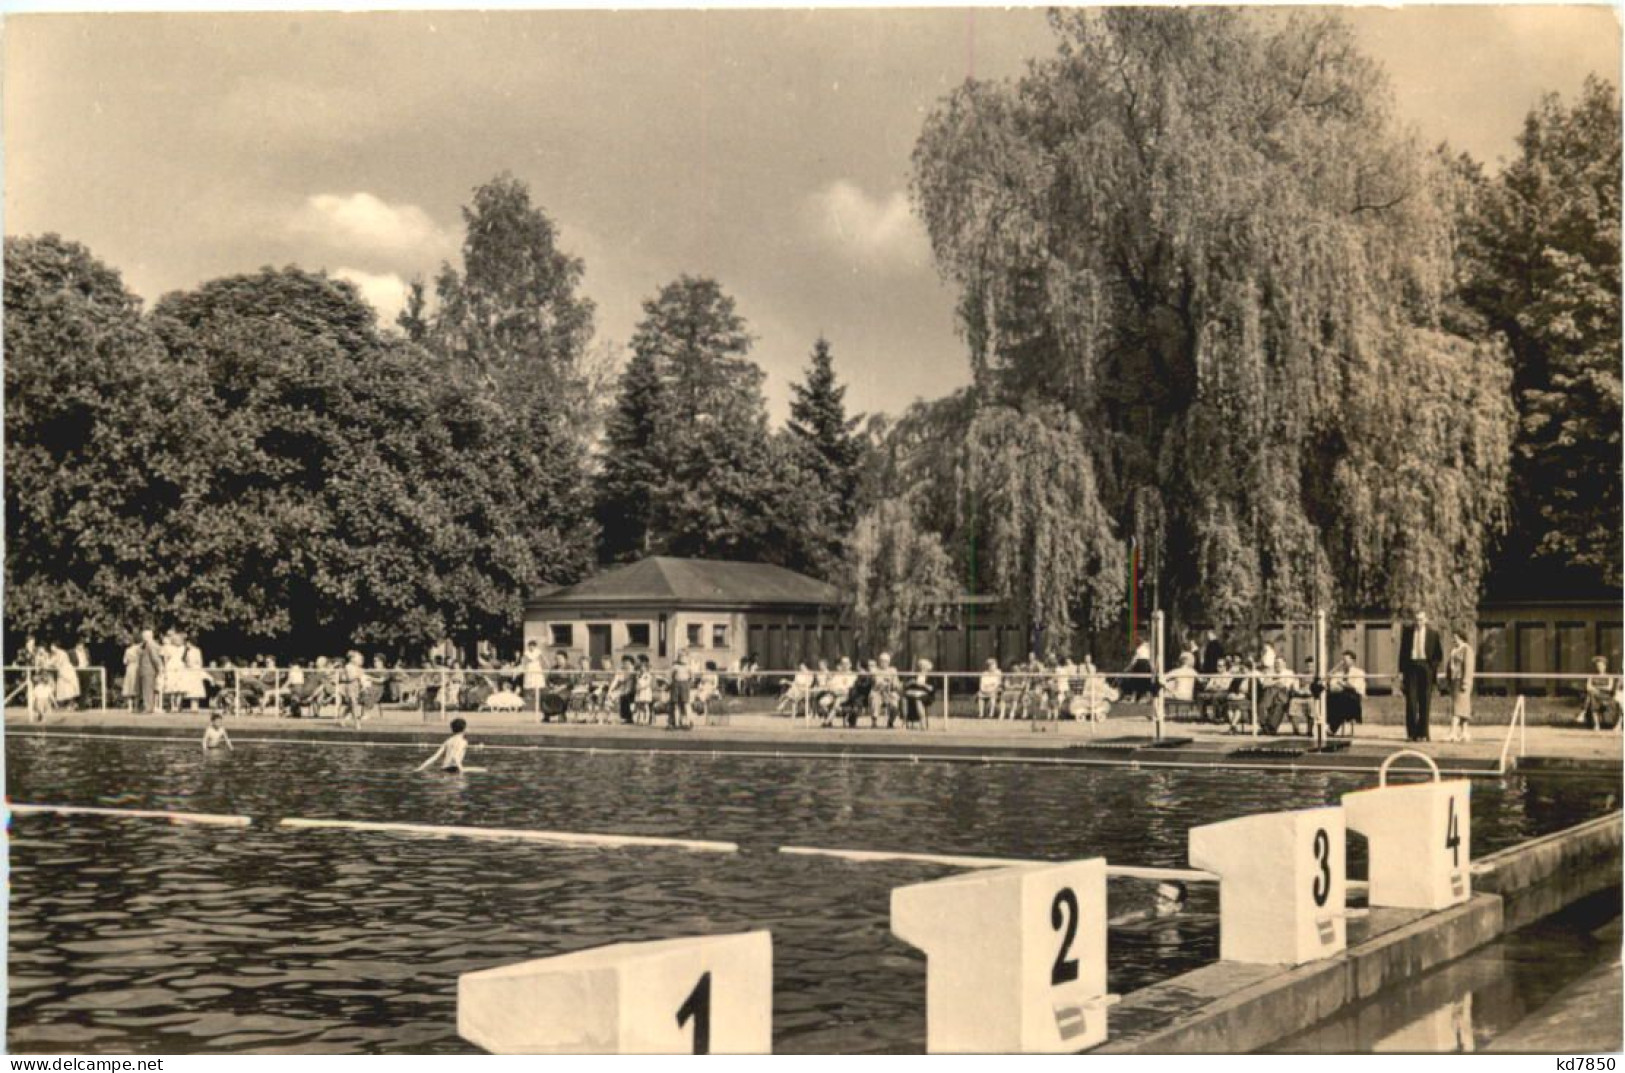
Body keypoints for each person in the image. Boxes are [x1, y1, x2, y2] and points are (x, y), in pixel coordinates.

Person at [1398, 610, 1443, 743]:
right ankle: (1412, 734)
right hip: (1411, 668)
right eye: (1417, 619)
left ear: (1426, 620)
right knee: (1411, 702)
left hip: (1426, 667)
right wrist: (1401, 673)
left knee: (1425, 701)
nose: (1419, 622)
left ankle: (1423, 733)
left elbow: (1438, 655)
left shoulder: (1433, 634)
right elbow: (1402, 654)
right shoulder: (1407, 633)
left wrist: (1431, 667)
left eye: (1421, 619)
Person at [1109, 881, 1188, 927]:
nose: (1158, 900)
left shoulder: (1185, 921)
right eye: (1157, 895)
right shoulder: (1143, 915)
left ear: (1178, 907)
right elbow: (1110, 924)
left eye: (1166, 898)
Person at [1444, 628, 1475, 744]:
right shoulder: (1454, 650)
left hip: (1462, 681)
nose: (1453, 639)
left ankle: (1452, 732)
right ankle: (1464, 732)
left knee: (1458, 708)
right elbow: (1449, 666)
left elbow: (1469, 667)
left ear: (1460, 637)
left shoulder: (1467, 650)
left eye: (1455, 637)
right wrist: (1448, 681)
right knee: (1462, 708)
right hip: (1454, 681)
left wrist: (1466, 682)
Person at [1326, 650, 1367, 737]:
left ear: (1353, 661)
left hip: (1353, 698)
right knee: (1330, 697)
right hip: (1338, 697)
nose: (1343, 662)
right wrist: (1330, 677)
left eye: (1346, 660)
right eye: (1342, 660)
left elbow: (1354, 687)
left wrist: (1342, 684)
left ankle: (1332, 728)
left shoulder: (1359, 672)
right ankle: (1331, 726)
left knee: (1341, 699)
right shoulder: (1339, 673)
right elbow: (1332, 686)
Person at [1580, 657, 1622, 730]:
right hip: (1595, 697)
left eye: (1601, 665)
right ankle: (1596, 724)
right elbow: (1588, 687)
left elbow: (1609, 687)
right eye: (1598, 666)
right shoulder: (1592, 676)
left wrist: (1597, 688)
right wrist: (1598, 689)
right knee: (1592, 696)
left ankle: (1584, 713)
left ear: (1605, 666)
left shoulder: (1609, 676)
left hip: (1606, 696)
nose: (1600, 667)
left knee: (1592, 695)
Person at [1122, 638, 1154, 702]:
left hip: (1143, 665)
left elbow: (1135, 660)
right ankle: (1135, 697)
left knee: (1140, 682)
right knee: (1140, 682)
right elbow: (1135, 659)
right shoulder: (1143, 648)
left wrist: (1128, 668)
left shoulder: (1146, 648)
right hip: (1142, 665)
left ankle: (1139, 697)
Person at [669, 648, 692, 728]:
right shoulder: (675, 666)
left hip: (685, 685)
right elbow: (671, 676)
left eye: (684, 656)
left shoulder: (689, 666)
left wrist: (688, 684)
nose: (682, 658)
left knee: (686, 704)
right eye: (680, 656)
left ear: (687, 657)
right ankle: (676, 723)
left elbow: (691, 677)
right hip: (676, 685)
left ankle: (688, 722)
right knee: (676, 704)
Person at [122, 635, 141, 712]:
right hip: (136, 667)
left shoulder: (128, 650)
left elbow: (124, 661)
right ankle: (135, 706)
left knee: (130, 686)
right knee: (135, 686)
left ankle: (130, 707)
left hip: (130, 668)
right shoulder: (138, 648)